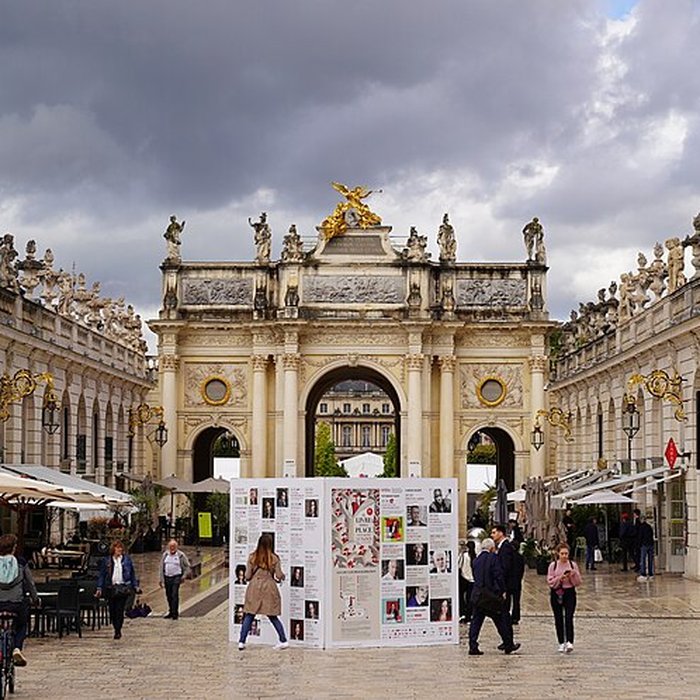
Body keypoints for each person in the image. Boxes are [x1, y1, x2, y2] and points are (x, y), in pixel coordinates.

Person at [468, 538, 520, 655]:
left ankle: (473, 645)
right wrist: (502, 590)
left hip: (478, 596)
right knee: (501, 620)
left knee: (476, 622)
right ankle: (508, 644)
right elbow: (498, 575)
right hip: (491, 596)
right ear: (492, 548)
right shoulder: (493, 558)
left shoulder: (476, 560)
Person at [238, 534, 288, 651]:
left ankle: (241, 641)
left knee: (249, 614)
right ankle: (283, 639)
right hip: (269, 587)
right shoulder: (274, 558)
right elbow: (279, 575)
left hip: (254, 587)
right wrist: (282, 577)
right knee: (272, 615)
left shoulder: (252, 557)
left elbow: (248, 575)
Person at [0, 534, 39, 666]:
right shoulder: (21, 563)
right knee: (22, 624)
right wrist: (35, 599)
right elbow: (30, 584)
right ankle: (17, 647)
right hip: (16, 604)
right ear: (14, 548)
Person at [96, 539, 139, 640]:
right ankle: (115, 625)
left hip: (123, 587)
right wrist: (99, 587)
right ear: (113, 549)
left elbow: (132, 573)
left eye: (121, 548)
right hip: (111, 588)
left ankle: (118, 630)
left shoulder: (126, 560)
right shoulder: (107, 560)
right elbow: (102, 575)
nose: (120, 549)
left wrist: (135, 585)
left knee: (120, 610)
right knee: (112, 610)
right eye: (118, 548)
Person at [546, 542, 582, 653]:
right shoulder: (553, 566)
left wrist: (572, 575)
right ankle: (561, 642)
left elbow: (578, 582)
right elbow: (550, 582)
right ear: (558, 554)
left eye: (566, 553)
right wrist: (560, 578)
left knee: (569, 617)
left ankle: (570, 641)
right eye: (562, 553)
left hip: (569, 592)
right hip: (557, 592)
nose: (564, 556)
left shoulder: (572, 565)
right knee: (558, 618)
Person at [491, 524, 520, 631]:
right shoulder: (503, 546)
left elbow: (505, 567)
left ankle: (507, 636)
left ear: (501, 533)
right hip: (508, 583)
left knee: (504, 609)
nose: (492, 535)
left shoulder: (506, 547)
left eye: (494, 532)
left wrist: (501, 584)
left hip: (508, 583)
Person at [159, 539, 191, 620]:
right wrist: (161, 579)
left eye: (174, 546)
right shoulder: (165, 555)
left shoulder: (181, 555)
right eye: (171, 546)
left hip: (176, 577)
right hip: (167, 577)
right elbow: (161, 567)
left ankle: (175, 613)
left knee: (174, 594)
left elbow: (187, 566)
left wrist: (183, 576)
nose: (172, 548)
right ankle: (171, 610)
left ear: (176, 547)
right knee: (168, 595)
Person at [457, 540, 474, 622]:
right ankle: (469, 614)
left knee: (461, 597)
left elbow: (458, 564)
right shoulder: (475, 556)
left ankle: (463, 613)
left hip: (464, 578)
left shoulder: (464, 555)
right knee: (470, 599)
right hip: (472, 580)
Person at [637, 516, 655, 582]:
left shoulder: (641, 527)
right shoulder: (649, 527)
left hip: (644, 545)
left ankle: (643, 574)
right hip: (651, 544)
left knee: (643, 559)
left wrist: (639, 545)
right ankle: (651, 574)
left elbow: (640, 537)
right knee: (650, 559)